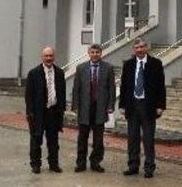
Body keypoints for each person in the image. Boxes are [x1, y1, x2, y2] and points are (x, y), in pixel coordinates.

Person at [119, 38, 165, 178]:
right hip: (132, 106)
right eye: (137, 47)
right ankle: (133, 166)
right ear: (134, 49)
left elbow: (161, 86)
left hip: (148, 106)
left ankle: (149, 168)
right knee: (132, 138)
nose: (139, 49)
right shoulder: (128, 64)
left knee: (148, 139)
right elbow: (124, 86)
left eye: (142, 47)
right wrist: (122, 105)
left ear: (147, 48)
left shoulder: (156, 64)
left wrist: (160, 105)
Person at [71, 44, 115, 173]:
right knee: (82, 138)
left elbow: (111, 88)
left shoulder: (108, 68)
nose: (95, 54)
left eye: (97, 52)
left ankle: (96, 162)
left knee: (98, 139)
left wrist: (110, 105)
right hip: (85, 108)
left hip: (100, 108)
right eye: (92, 52)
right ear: (88, 53)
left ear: (101, 53)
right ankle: (81, 163)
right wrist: (75, 106)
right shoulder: (81, 68)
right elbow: (76, 89)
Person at [25, 46, 66, 174]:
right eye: (46, 56)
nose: (49, 58)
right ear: (42, 57)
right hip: (38, 113)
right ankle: (35, 164)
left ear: (54, 57)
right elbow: (28, 95)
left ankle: (53, 164)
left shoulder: (60, 72)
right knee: (36, 140)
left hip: (53, 112)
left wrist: (62, 109)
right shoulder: (33, 73)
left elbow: (62, 93)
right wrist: (30, 112)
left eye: (51, 56)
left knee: (53, 140)